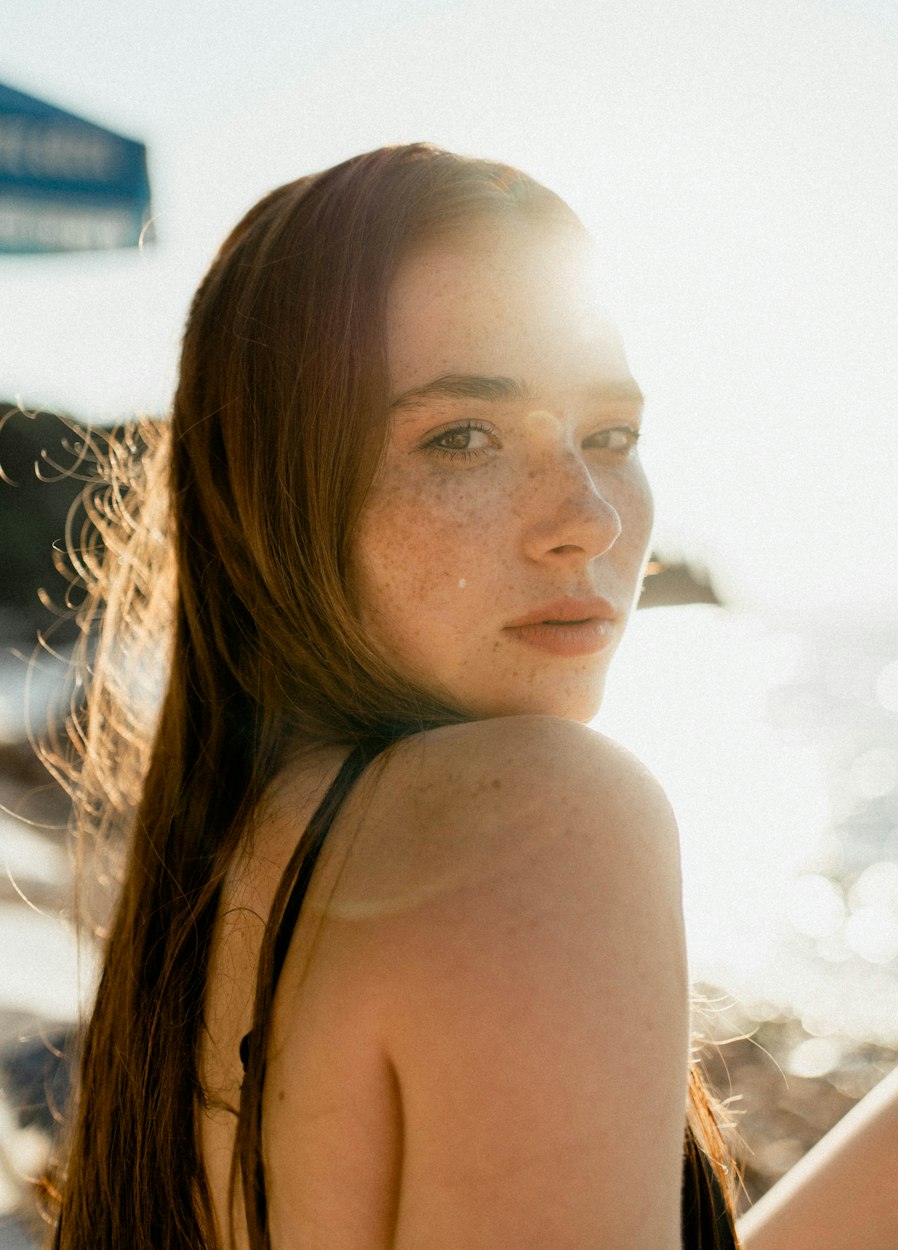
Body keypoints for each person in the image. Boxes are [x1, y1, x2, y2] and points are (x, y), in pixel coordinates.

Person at [46, 144, 738, 1250]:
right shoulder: (539, 815)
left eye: (611, 435)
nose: (591, 518)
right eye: (461, 436)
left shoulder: (237, 843)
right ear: (269, 491)